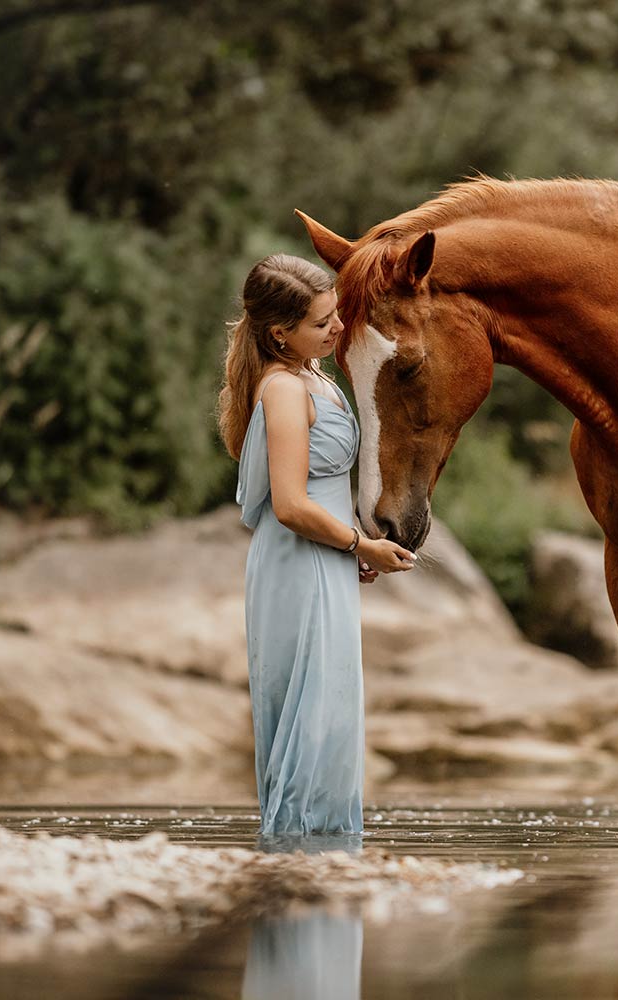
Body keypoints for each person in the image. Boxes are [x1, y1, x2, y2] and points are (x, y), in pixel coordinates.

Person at [216, 253, 415, 839]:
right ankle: (297, 857)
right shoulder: (281, 389)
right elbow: (290, 503)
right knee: (310, 715)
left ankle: (323, 861)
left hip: (323, 559)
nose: (336, 328)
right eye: (322, 322)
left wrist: (351, 547)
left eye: (333, 316)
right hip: (295, 565)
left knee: (331, 712)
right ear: (281, 333)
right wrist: (361, 545)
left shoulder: (312, 374)